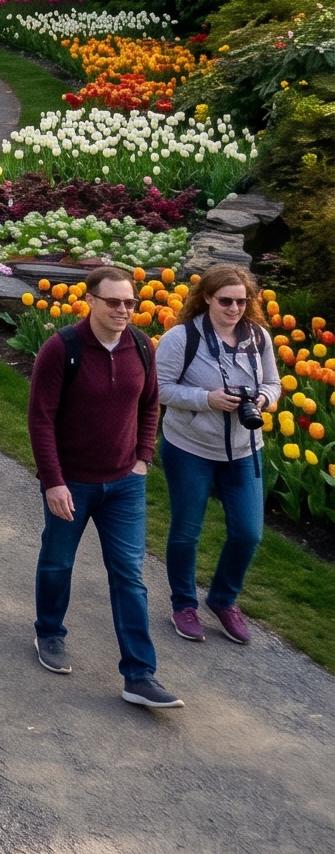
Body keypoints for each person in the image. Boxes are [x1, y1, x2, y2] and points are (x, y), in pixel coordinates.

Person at [27, 263, 180, 707]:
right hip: (72, 482)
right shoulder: (62, 349)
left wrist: (142, 458)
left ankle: (139, 675)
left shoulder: (140, 345)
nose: (123, 309)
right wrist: (53, 482)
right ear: (90, 300)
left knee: (130, 575)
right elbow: (40, 419)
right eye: (113, 301)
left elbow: (150, 404)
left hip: (125, 484)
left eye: (129, 302)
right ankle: (49, 632)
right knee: (58, 562)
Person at [156, 265, 278, 645]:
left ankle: (223, 599)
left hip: (244, 450)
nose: (234, 308)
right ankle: (184, 604)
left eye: (242, 301)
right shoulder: (182, 338)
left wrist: (264, 398)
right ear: (206, 297)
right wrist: (206, 400)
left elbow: (273, 383)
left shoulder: (258, 338)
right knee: (187, 531)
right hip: (190, 448)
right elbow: (159, 389)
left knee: (248, 533)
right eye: (225, 300)